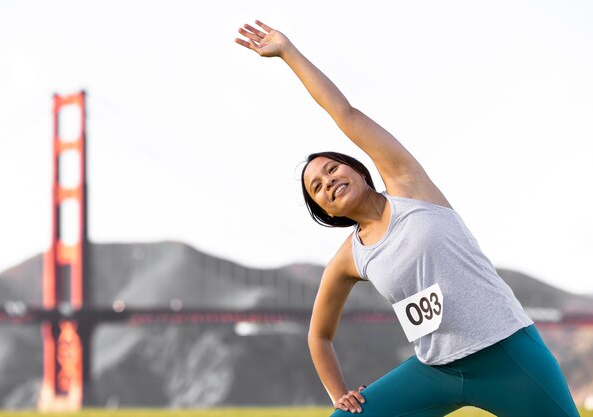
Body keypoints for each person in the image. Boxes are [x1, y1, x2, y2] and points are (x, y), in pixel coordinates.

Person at [235, 20, 580, 417]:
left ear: (360, 171)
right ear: (325, 212)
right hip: (436, 370)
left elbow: (344, 113)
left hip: (507, 351)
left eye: (332, 170)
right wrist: (338, 393)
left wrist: (288, 53)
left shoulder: (408, 185)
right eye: (317, 188)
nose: (328, 182)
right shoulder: (351, 258)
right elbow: (319, 335)